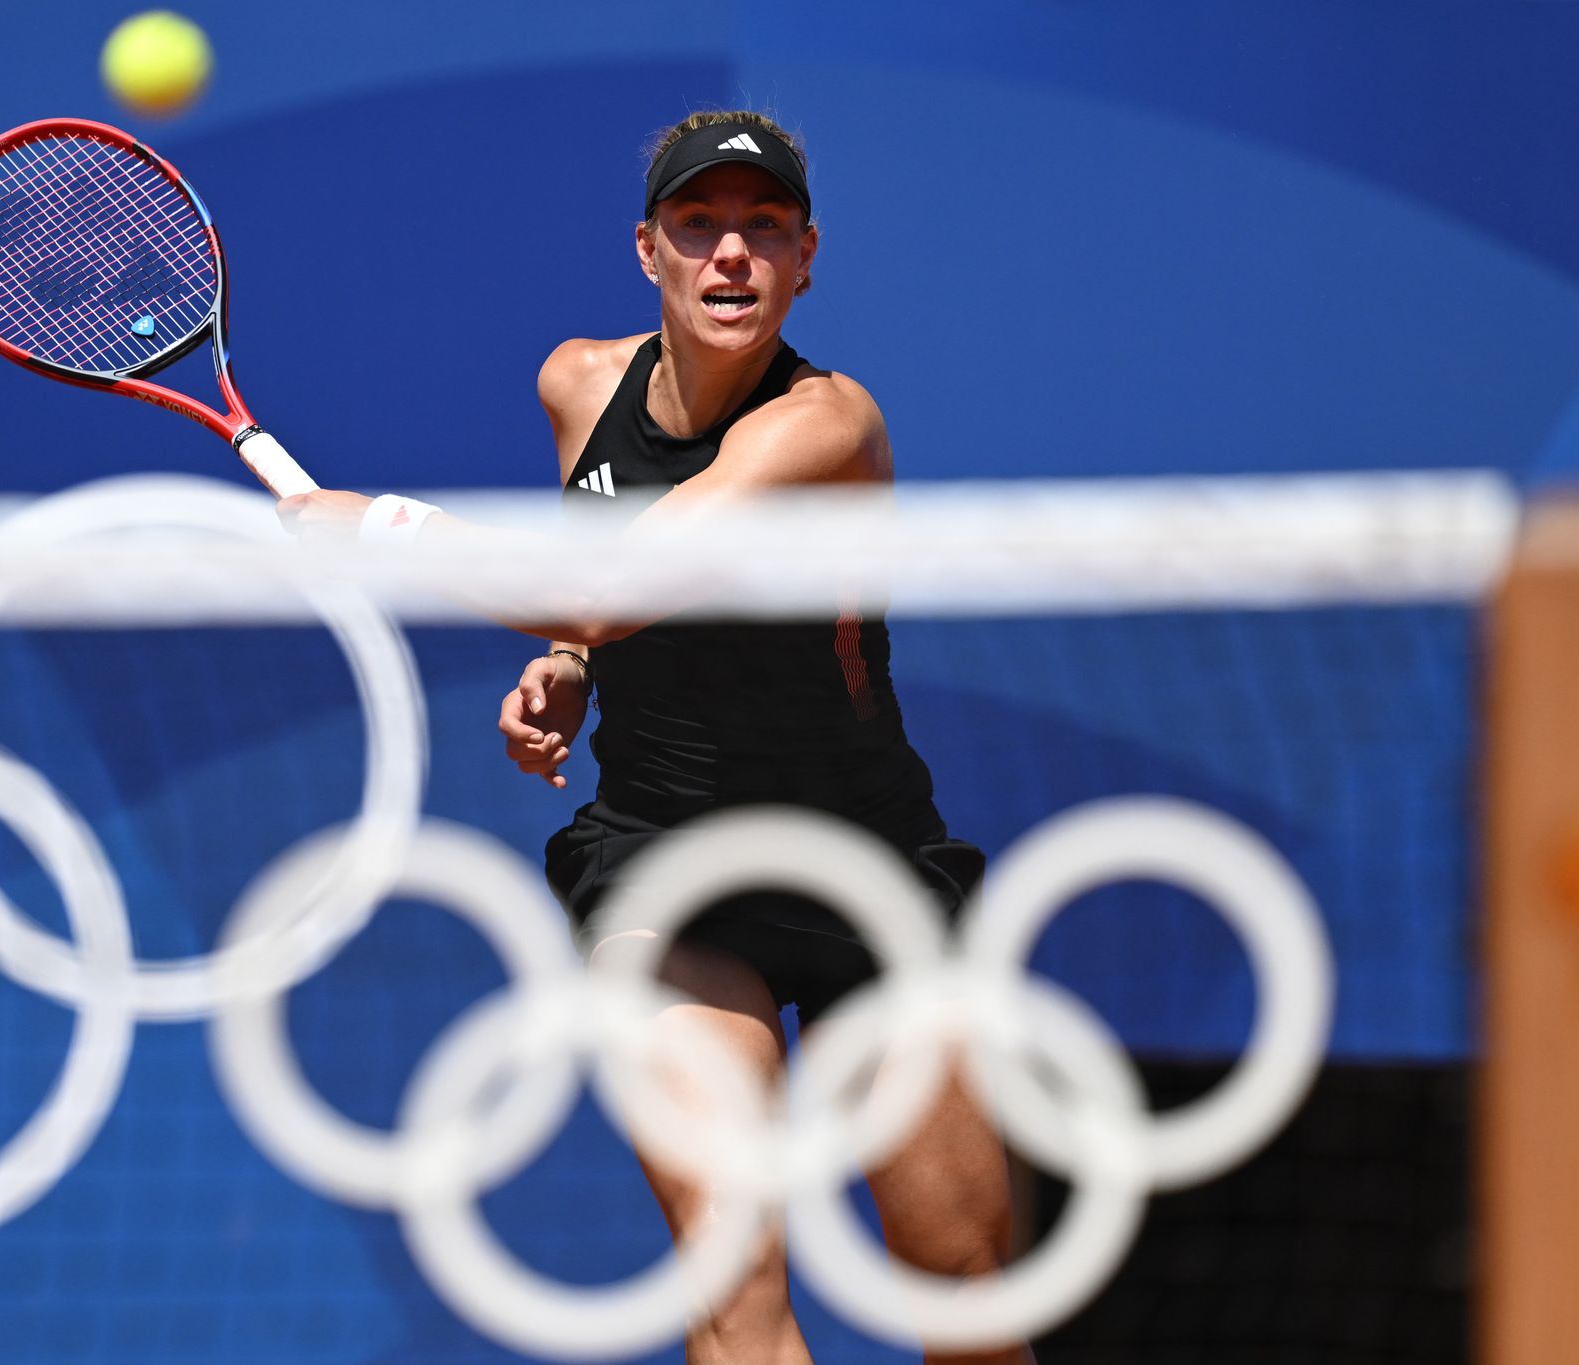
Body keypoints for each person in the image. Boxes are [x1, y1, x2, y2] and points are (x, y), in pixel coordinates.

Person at [279, 110, 1029, 1365]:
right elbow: (598, 595)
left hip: (863, 865)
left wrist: (379, 529)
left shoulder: (824, 427)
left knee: (962, 1291)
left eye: (762, 230)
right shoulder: (577, 385)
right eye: (699, 227)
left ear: (804, 258)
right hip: (664, 866)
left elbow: (599, 591)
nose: (729, 257)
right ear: (649, 252)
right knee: (731, 1288)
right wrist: (568, 668)